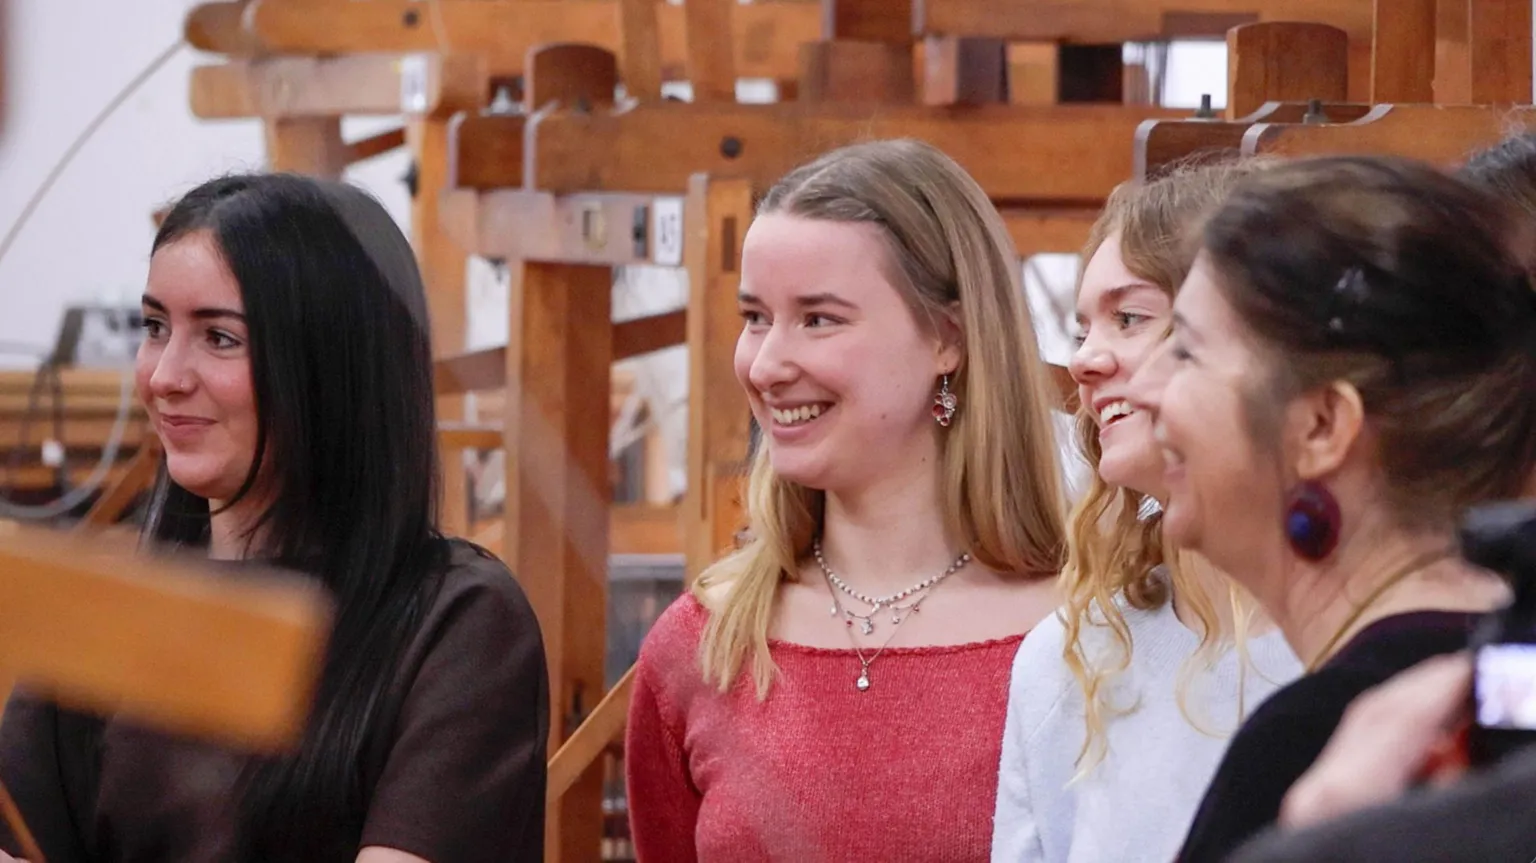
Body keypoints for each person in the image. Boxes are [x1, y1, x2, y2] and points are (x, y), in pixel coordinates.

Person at [0, 173, 550, 863]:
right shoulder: (101, 621)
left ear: (330, 365)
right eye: (155, 327)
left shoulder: (457, 624)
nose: (165, 373)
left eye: (219, 338)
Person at [623, 138, 1069, 861]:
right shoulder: (702, 647)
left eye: (819, 318)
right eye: (756, 316)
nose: (766, 365)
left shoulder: (1085, 641)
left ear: (946, 339)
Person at [1124, 154, 1536, 862]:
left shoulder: (1322, 740)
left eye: (1186, 352)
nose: (1142, 388)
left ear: (1321, 426)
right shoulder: (1504, 669)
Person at [991, 159, 1301, 863]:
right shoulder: (1069, 660)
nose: (1084, 362)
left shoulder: (1362, 636)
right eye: (1081, 330)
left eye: (1129, 318)